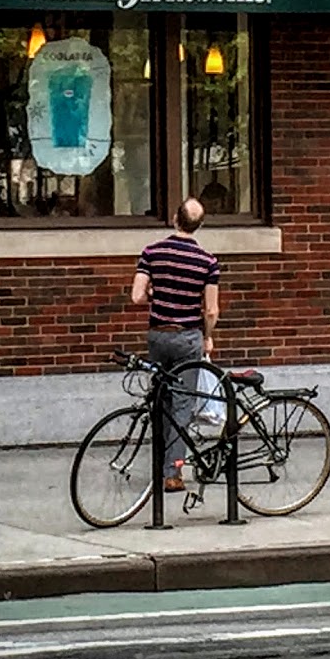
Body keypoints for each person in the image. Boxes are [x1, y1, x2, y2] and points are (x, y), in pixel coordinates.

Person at [132, 197, 221, 494]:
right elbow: (210, 310)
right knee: (182, 405)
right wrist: (207, 336)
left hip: (158, 334)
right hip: (187, 337)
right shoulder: (208, 262)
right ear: (200, 225)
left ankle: (160, 464)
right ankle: (174, 472)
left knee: (159, 400)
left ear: (174, 219)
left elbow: (136, 296)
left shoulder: (151, 252)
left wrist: (156, 296)